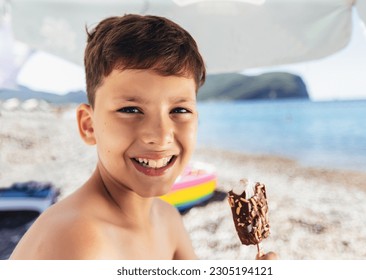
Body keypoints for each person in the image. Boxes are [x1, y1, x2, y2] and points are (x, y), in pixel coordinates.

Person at [10, 14, 277, 260]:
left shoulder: (166, 217)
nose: (160, 136)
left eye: (179, 110)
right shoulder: (79, 241)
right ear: (89, 126)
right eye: (131, 109)